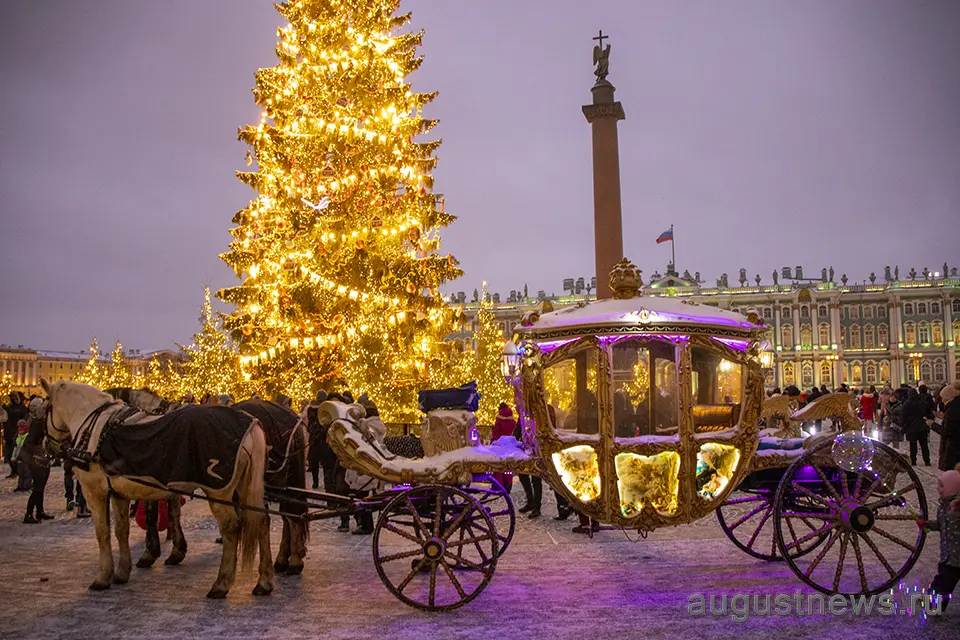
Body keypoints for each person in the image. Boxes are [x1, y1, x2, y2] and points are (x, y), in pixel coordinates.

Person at [919, 464, 960, 612]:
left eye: (942, 487)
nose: (938, 489)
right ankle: (932, 601)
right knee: (941, 581)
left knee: (945, 584)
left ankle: (935, 606)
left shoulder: (957, 507)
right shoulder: (942, 506)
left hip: (956, 557)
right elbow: (941, 525)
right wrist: (928, 524)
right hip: (948, 556)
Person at [22, 399, 53, 524]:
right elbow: (28, 444)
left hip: (42, 458)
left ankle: (39, 511)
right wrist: (40, 450)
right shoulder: (36, 423)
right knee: (38, 487)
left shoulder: (42, 423)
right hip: (35, 459)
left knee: (41, 486)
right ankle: (28, 514)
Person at [514, 415, 542, 519]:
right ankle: (530, 501)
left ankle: (536, 506)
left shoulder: (537, 413)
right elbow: (518, 429)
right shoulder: (523, 414)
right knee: (523, 475)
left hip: (536, 450)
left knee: (536, 479)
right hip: (525, 449)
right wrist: (514, 440)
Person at [931, 383, 960, 472]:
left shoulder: (953, 410)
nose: (942, 400)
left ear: (948, 397)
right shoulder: (954, 408)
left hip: (954, 450)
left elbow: (947, 431)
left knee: (953, 476)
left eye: (943, 397)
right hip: (955, 448)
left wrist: (932, 425)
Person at [901, 387, 932, 466]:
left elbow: (903, 416)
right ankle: (927, 461)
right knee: (924, 445)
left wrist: (903, 427)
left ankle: (913, 461)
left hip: (911, 427)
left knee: (913, 445)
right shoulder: (923, 402)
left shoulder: (907, 404)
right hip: (922, 426)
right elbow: (929, 413)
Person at [491, 403, 517, 492]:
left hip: (499, 446)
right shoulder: (513, 421)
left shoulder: (499, 420)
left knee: (498, 467)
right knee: (508, 467)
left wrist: (493, 443)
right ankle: (508, 486)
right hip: (510, 446)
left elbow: (496, 433)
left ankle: (499, 486)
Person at [4, 392, 28, 477]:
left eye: (12, 398)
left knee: (15, 454)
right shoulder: (10, 407)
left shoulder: (21, 408)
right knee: (8, 454)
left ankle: (16, 471)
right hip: (9, 433)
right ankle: (14, 470)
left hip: (17, 434)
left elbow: (24, 419)